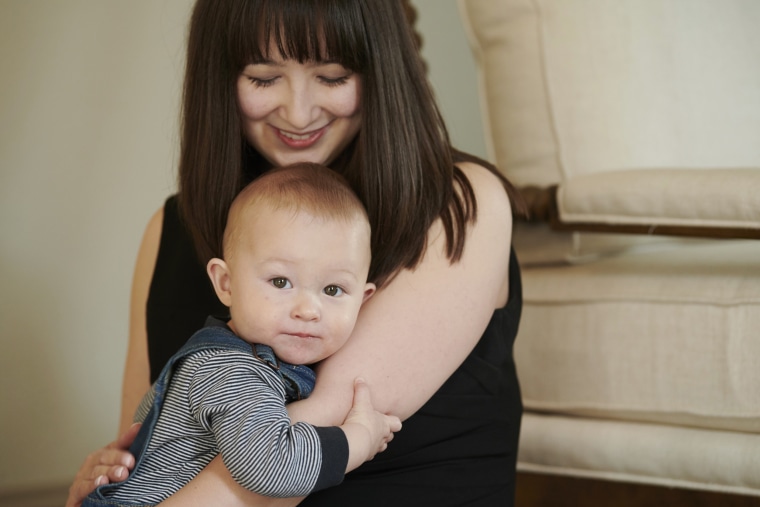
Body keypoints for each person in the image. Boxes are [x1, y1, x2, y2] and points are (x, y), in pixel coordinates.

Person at [68, 0, 526, 505]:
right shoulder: (170, 230)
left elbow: (290, 452)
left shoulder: (459, 203)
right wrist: (111, 485)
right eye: (263, 79)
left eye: (331, 77)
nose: (300, 112)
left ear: (379, 70)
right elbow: (148, 447)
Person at [81, 164, 401, 506]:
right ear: (226, 283)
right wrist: (358, 439)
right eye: (281, 282)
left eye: (334, 289)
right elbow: (270, 468)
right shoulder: (230, 371)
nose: (308, 310)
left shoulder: (231, 361)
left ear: (364, 300)